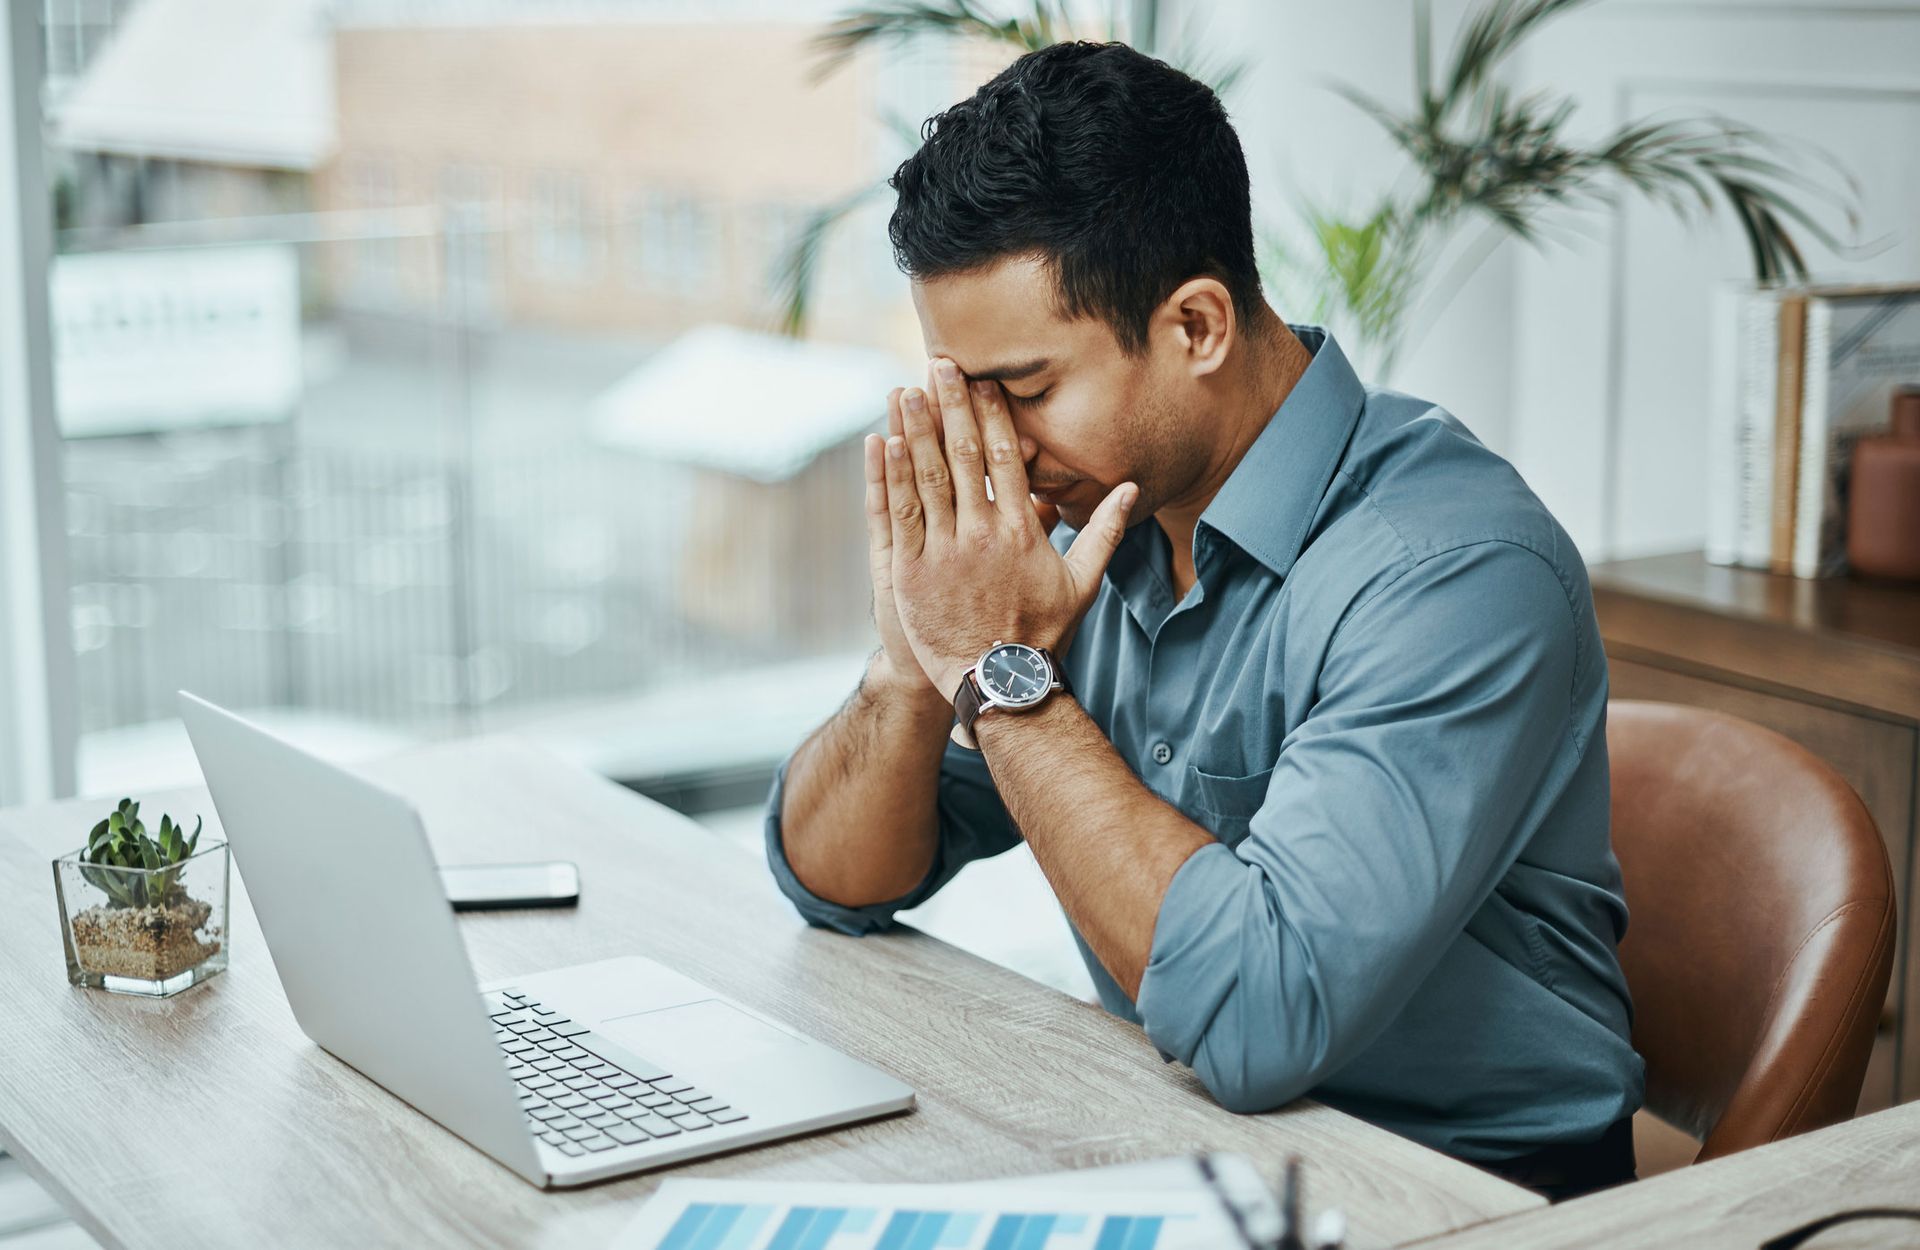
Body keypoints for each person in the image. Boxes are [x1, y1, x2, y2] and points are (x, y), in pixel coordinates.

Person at [763, 40, 1643, 1200]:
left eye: (1024, 389)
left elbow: (1258, 1019)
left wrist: (998, 665)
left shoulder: (1455, 570)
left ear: (1196, 327)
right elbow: (836, 876)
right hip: (1176, 1143)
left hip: (1465, 1191)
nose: (996, 443)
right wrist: (913, 657)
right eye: (966, 393)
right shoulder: (1085, 530)